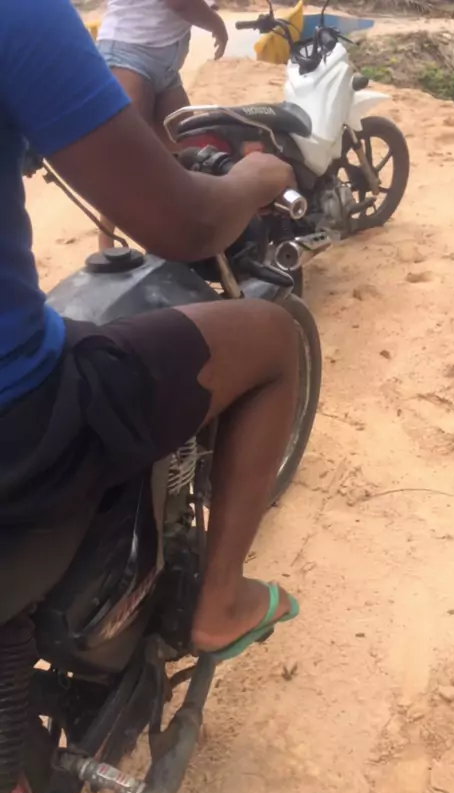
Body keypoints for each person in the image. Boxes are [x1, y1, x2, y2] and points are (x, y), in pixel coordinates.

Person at [0, 0, 300, 661]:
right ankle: (220, 604)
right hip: (18, 429)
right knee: (274, 338)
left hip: (150, 74)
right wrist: (251, 178)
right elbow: (189, 225)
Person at [96, 0, 229, 250]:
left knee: (187, 153)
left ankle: (172, 243)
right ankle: (107, 248)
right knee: (128, 160)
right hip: (129, 51)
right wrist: (217, 25)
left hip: (165, 66)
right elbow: (180, 3)